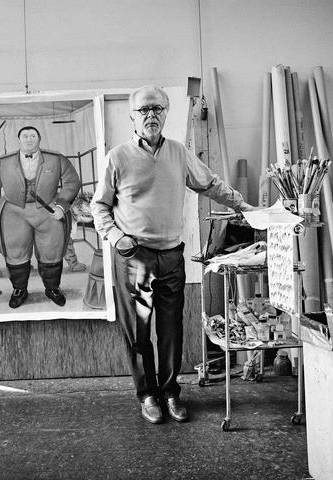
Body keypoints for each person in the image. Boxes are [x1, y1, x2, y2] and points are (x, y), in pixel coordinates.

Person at [90, 85, 255, 424]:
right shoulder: (117, 157)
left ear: (166, 112)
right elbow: (99, 206)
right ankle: (147, 395)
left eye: (157, 108)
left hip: (171, 257)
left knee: (171, 331)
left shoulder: (179, 153)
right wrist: (117, 237)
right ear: (132, 116)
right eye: (144, 110)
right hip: (135, 258)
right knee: (139, 331)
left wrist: (243, 206)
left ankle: (169, 393)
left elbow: (210, 184)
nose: (151, 115)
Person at [0, 126, 81, 308]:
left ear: (39, 139)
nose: (29, 139)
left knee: (52, 250)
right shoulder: (4, 162)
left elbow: (72, 181)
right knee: (15, 252)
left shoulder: (56, 159)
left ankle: (52, 288)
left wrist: (61, 205)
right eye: (25, 136)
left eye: (33, 136)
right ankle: (19, 289)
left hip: (48, 210)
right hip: (14, 212)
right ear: (18, 140)